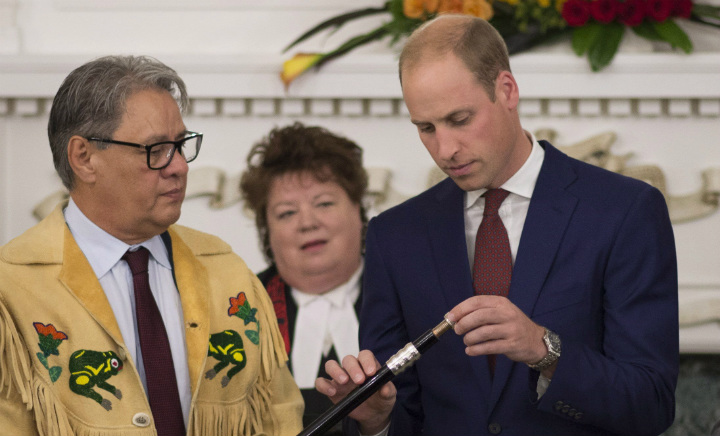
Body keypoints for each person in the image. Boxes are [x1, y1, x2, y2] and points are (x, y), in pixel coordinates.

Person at [316, 15, 679, 436]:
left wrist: (545, 350)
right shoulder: (393, 237)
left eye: (460, 119)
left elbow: (651, 405)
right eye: (426, 128)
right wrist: (376, 421)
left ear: (506, 90)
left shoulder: (624, 212)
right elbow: (403, 414)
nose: (445, 149)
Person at [0, 55, 303, 436]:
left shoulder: (226, 271)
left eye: (181, 145)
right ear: (84, 157)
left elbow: (280, 417)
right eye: (156, 149)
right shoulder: (11, 290)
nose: (179, 166)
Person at [240, 122, 368, 433]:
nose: (307, 223)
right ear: (266, 232)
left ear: (358, 210)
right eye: (287, 213)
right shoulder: (242, 310)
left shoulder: (405, 294)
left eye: (324, 203)